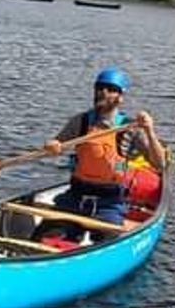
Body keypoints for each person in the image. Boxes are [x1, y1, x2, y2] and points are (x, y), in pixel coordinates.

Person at [38, 67, 164, 238]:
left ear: (120, 97)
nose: (103, 92)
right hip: (75, 196)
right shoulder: (80, 122)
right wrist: (51, 146)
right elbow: (56, 145)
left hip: (109, 202)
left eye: (111, 89)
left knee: (106, 240)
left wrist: (150, 131)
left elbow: (159, 164)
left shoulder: (130, 128)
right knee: (45, 236)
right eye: (100, 87)